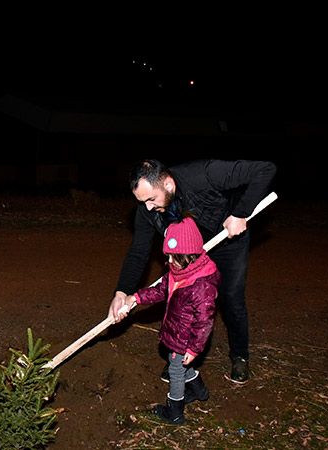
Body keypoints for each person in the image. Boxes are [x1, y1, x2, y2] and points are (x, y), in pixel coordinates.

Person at [109, 159, 276, 384]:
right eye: (142, 201)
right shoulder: (147, 210)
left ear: (168, 184)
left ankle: (240, 356)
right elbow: (139, 253)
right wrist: (122, 292)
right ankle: (179, 361)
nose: (147, 207)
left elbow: (265, 170)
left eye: (150, 199)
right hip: (189, 254)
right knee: (181, 300)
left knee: (231, 298)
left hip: (227, 240)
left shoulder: (203, 175)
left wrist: (240, 213)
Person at [113, 216, 220, 425]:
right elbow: (160, 290)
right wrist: (136, 297)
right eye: (168, 257)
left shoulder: (202, 286)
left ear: (190, 255)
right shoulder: (179, 271)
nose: (169, 262)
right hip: (176, 330)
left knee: (175, 370)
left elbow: (204, 322)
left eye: (174, 257)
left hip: (185, 338)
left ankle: (175, 411)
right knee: (178, 364)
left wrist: (194, 349)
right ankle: (200, 391)